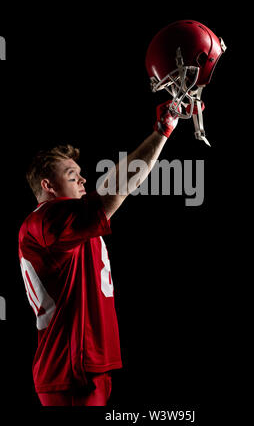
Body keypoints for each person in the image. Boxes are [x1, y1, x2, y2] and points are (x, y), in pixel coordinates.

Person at [18, 101, 179, 407]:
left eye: (80, 174)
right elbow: (117, 188)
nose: (82, 180)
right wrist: (162, 131)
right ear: (48, 186)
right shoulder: (45, 219)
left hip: (89, 365)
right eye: (71, 174)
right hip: (70, 369)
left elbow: (119, 188)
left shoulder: (69, 225)